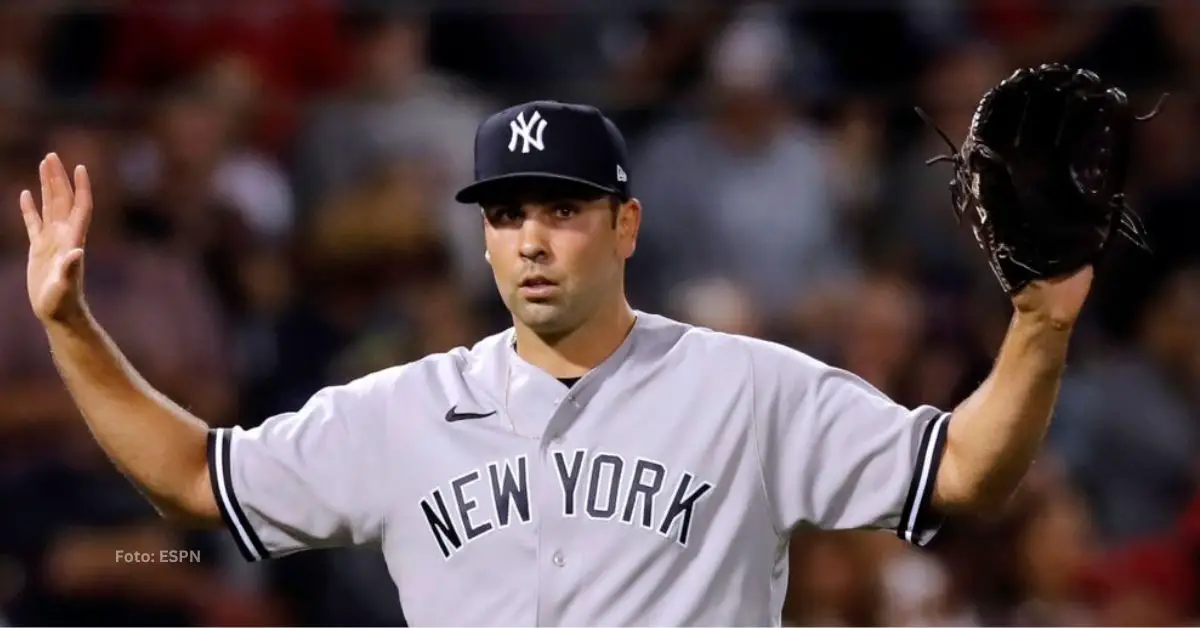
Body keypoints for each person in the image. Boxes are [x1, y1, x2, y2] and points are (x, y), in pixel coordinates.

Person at [19, 100, 1094, 625]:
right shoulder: (404, 408)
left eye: (563, 211)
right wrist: (71, 325)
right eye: (507, 213)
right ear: (483, 236)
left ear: (626, 225)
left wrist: (1038, 329)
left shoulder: (749, 386)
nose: (531, 237)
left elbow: (964, 472)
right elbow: (195, 477)